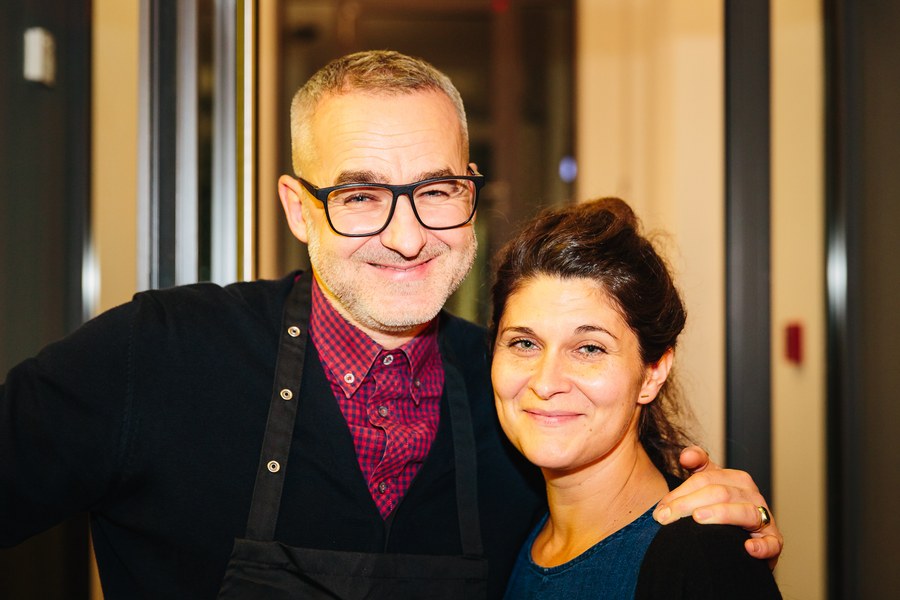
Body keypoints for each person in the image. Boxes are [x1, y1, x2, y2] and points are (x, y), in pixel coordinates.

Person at [1, 51, 781, 599]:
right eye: (361, 196)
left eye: (436, 191)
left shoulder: (516, 395)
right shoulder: (160, 354)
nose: (407, 237)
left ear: (470, 191)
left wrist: (715, 523)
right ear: (298, 209)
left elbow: (623, 514)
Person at [491, 197, 781, 598]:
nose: (545, 382)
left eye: (589, 348)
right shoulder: (509, 531)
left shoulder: (701, 557)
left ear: (653, 373)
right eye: (524, 343)